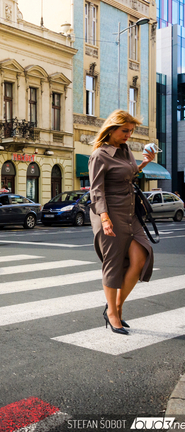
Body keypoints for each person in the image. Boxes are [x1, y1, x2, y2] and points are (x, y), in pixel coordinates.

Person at [88, 109, 155, 335]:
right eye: (125, 131)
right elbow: (96, 191)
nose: (128, 135)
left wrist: (145, 163)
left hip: (129, 212)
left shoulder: (125, 150)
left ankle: (115, 306)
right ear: (112, 128)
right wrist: (104, 219)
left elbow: (130, 174)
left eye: (131, 131)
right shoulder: (99, 155)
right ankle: (114, 314)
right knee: (114, 262)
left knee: (140, 257)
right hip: (110, 213)